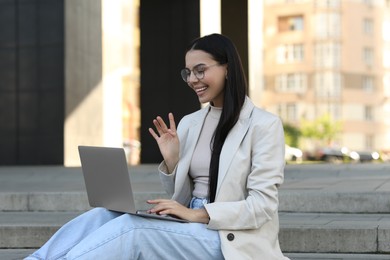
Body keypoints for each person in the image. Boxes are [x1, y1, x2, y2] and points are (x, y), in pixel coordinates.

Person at [25, 33, 289, 260]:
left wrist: (195, 214)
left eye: (201, 70)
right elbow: (179, 193)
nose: (192, 79)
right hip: (189, 223)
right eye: (188, 72)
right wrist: (173, 162)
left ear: (228, 68)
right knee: (104, 215)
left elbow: (262, 206)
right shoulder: (190, 123)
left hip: (231, 239)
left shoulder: (263, 125)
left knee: (134, 229)